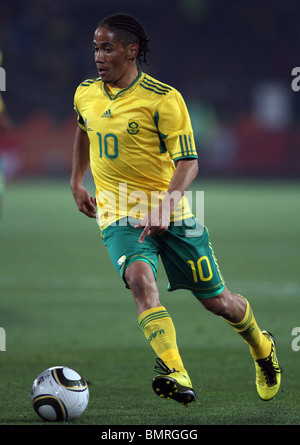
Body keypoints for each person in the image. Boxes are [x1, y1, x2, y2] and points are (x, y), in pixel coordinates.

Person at [70, 13, 282, 406]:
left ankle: (261, 346)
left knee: (218, 302)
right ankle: (176, 370)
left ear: (132, 51)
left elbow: (189, 163)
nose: (98, 57)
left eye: (107, 48)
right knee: (139, 279)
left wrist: (166, 206)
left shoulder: (163, 99)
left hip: (170, 210)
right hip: (119, 213)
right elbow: (84, 129)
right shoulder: (86, 92)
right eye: (96, 48)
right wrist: (76, 181)